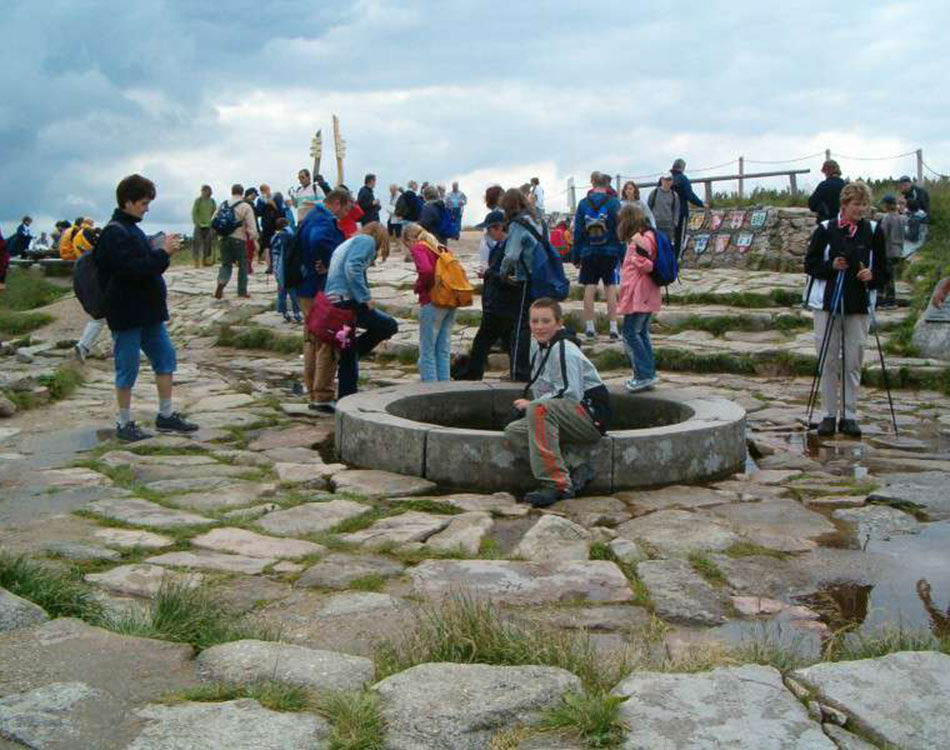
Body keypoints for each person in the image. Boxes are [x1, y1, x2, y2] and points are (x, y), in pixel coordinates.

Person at [95, 174, 198, 442]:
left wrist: (161, 251)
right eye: (143, 202)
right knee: (127, 367)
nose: (147, 207)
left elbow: (146, 266)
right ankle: (124, 422)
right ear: (127, 202)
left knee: (166, 359)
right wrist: (162, 253)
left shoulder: (132, 229)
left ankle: (165, 415)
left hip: (148, 312)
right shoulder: (115, 232)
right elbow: (131, 270)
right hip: (127, 313)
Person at [503, 298, 610, 507]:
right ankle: (576, 467)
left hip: (590, 415)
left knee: (539, 408)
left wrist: (530, 405)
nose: (539, 326)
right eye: (534, 321)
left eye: (546, 321)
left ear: (559, 323)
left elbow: (570, 393)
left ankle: (556, 484)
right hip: (567, 411)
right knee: (514, 431)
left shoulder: (564, 349)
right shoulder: (542, 346)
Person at [804, 182, 888, 439]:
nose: (861, 209)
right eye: (856, 204)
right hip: (828, 304)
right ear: (844, 205)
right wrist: (831, 266)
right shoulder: (826, 229)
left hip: (859, 304)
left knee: (853, 360)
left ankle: (849, 415)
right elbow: (810, 264)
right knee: (828, 361)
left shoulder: (873, 231)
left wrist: (871, 276)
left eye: (864, 205)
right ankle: (828, 414)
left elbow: (885, 271)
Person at [324, 222, 397, 400]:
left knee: (348, 353)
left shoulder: (348, 242)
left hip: (333, 301)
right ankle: (347, 395)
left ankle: (346, 397)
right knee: (389, 325)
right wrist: (365, 298)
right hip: (346, 301)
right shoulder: (366, 241)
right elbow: (352, 268)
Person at [296, 188, 352, 411]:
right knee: (326, 343)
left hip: (305, 287)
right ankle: (323, 395)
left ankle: (313, 392)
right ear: (337, 203)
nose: (347, 213)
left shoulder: (311, 215)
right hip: (318, 289)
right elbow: (318, 240)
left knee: (311, 341)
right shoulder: (324, 220)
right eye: (347, 207)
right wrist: (327, 263)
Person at [454, 210, 524, 381]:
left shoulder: (509, 248)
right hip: (495, 304)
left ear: (499, 228)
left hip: (503, 305)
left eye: (490, 230)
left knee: (484, 343)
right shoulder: (499, 247)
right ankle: (517, 372)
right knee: (501, 343)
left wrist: (488, 273)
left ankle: (474, 375)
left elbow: (507, 277)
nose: (488, 234)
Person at [573, 171, 624, 341]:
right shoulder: (614, 203)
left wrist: (576, 256)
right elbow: (620, 230)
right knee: (610, 287)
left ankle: (589, 327)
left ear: (593, 183)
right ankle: (613, 328)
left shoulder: (583, 203)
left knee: (589, 287)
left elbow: (578, 231)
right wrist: (622, 255)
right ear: (607, 185)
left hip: (588, 252)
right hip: (609, 251)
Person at [498, 187, 543, 381]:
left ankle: (518, 371)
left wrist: (503, 273)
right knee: (538, 322)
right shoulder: (535, 219)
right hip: (541, 276)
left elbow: (512, 255)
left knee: (521, 327)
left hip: (527, 278)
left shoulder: (517, 224)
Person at [403, 223, 456, 381]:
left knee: (427, 350)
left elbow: (426, 271)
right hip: (450, 300)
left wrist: (419, 286)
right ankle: (444, 388)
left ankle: (430, 389)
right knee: (443, 349)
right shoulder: (438, 246)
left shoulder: (419, 247)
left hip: (432, 301)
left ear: (409, 239)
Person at [616, 204, 661, 392]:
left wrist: (634, 258)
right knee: (641, 333)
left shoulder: (640, 239)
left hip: (639, 294)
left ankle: (643, 375)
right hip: (645, 293)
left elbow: (647, 265)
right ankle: (647, 373)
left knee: (630, 333)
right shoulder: (648, 234)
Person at [214, 184, 258, 299]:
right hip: (239, 239)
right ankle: (242, 291)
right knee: (243, 265)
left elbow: (213, 220)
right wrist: (254, 239)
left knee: (226, 264)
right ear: (242, 193)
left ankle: (221, 283)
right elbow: (252, 226)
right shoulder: (245, 206)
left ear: (232, 192)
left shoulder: (223, 204)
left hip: (223, 238)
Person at [670, 159, 708, 260]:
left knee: (669, 238)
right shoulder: (683, 179)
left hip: (668, 213)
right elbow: (689, 195)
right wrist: (701, 204)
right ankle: (676, 261)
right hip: (681, 212)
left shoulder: (668, 180)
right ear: (682, 168)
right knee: (679, 238)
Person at [270, 217, 301, 324]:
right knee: (292, 291)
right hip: (286, 268)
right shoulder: (288, 235)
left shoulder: (274, 237)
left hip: (277, 267)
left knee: (281, 291)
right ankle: (297, 313)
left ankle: (284, 312)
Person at [879, 194, 904, 308]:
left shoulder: (887, 217)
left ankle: (889, 301)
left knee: (886, 276)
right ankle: (890, 300)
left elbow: (882, 235)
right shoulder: (900, 217)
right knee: (890, 276)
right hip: (898, 250)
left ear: (887, 205)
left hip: (888, 250)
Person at [808, 160, 846, 225]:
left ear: (826, 171)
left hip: (827, 224)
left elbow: (812, 205)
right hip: (845, 223)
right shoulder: (847, 186)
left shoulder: (824, 185)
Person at [647, 174, 681, 240]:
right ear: (662, 180)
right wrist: (650, 222)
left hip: (669, 226)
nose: (667, 182)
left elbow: (676, 210)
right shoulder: (654, 193)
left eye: (669, 180)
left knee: (668, 245)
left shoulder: (674, 195)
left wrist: (675, 223)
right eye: (665, 180)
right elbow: (648, 208)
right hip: (655, 224)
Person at [191, 185, 216, 267]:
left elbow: (214, 212)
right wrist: (196, 222)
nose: (203, 193)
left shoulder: (212, 201)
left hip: (209, 225)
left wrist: (213, 223)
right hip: (199, 224)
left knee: (208, 243)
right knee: (196, 242)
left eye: (205, 191)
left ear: (209, 192)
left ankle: (205, 260)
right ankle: (196, 260)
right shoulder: (198, 200)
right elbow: (194, 212)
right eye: (202, 191)